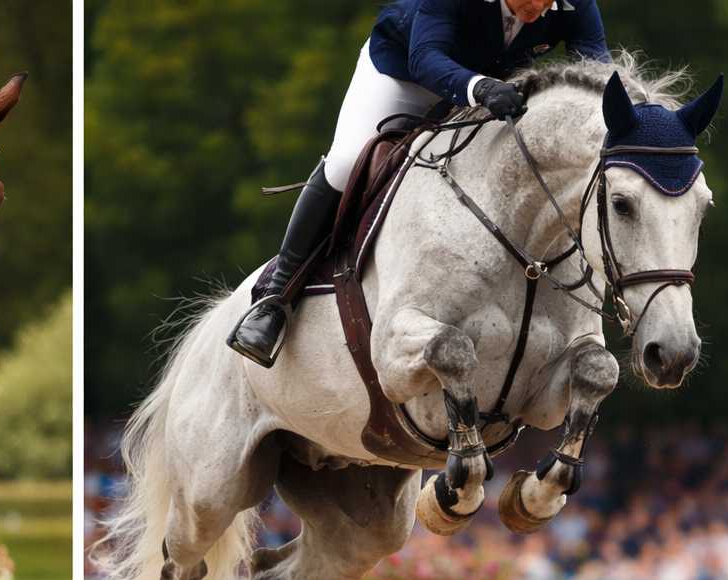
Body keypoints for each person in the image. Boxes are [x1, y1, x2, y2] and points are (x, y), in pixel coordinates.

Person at [227, 0, 610, 368]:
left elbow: (598, 75)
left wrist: (634, 117)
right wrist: (482, 88)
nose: (541, 10)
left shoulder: (574, 3)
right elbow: (425, 57)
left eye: (550, 2)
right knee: (345, 165)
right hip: (406, 77)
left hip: (490, 90)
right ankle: (274, 300)